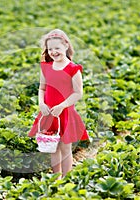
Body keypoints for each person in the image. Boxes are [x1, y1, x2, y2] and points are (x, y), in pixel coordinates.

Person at [28, 29, 89, 178]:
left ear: (66, 46)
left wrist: (62, 106)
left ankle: (66, 179)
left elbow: (78, 93)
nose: (53, 52)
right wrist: (41, 103)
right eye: (50, 49)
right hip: (48, 112)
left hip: (65, 112)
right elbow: (42, 88)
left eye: (57, 48)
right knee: (52, 147)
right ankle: (57, 179)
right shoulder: (46, 67)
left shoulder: (73, 69)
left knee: (65, 148)